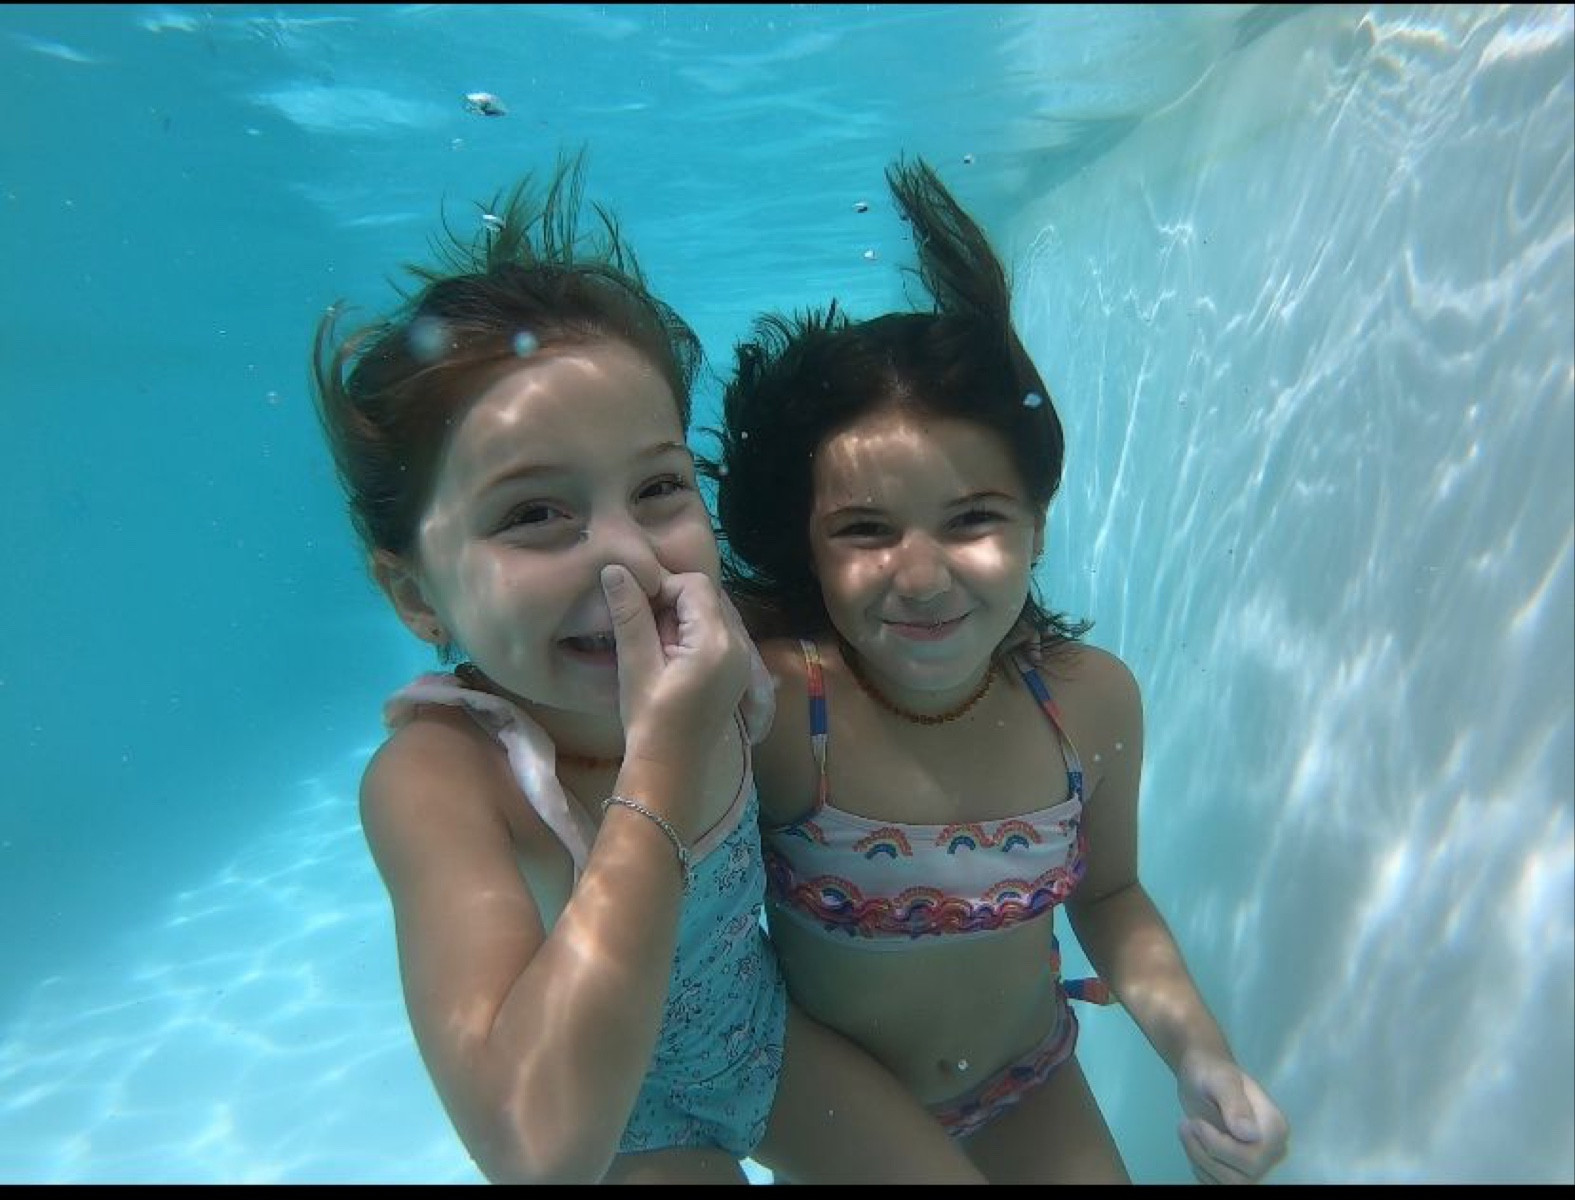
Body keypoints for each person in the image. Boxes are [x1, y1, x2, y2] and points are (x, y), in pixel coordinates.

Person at [310, 152, 985, 1185]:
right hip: (614, 1124)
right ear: (416, 595)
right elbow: (533, 1149)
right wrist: (663, 762)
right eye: (534, 512)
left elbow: (911, 607)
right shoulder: (442, 779)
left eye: (660, 487)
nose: (627, 554)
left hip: (758, 1042)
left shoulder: (727, 638)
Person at [707, 156, 1291, 1185]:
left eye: (972, 518)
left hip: (1030, 1082)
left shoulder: (1088, 703)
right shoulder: (784, 710)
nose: (921, 577)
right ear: (808, 548)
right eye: (865, 530)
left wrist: (1200, 1056)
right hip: (842, 1113)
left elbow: (1110, 895)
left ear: (1037, 525)